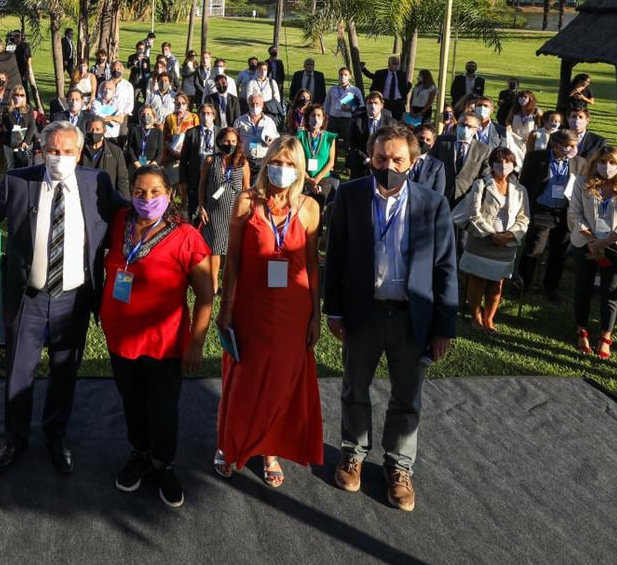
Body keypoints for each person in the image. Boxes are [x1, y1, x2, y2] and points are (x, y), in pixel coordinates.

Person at [326, 124, 457, 512]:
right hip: (363, 313)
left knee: (407, 395)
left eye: (398, 159)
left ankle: (399, 466)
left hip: (410, 317)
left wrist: (444, 327)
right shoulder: (349, 196)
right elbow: (334, 258)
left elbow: (446, 269)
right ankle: (353, 452)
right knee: (355, 386)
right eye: (381, 158)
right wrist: (333, 309)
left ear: (413, 162)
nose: (389, 165)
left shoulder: (433, 205)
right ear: (371, 156)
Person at [0, 121, 127, 476]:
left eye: (67, 152)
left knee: (65, 371)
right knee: (19, 371)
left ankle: (55, 436)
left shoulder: (97, 183)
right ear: (41, 149)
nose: (59, 158)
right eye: (53, 151)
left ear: (79, 154)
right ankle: (15, 439)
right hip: (28, 296)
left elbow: (127, 214)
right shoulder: (19, 180)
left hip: (74, 297)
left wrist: (166, 218)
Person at [101, 165, 213, 507]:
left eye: (154, 192)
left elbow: (206, 294)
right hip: (121, 339)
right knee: (131, 402)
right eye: (139, 192)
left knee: (163, 409)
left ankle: (164, 463)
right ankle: (139, 454)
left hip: (164, 344)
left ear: (170, 194)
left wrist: (195, 344)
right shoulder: (120, 222)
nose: (146, 198)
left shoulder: (186, 235)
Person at [215, 136, 323, 488]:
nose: (283, 169)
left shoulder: (308, 207)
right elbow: (232, 259)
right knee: (244, 377)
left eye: (291, 164)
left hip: (293, 308)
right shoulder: (248, 201)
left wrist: (315, 315)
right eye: (278, 161)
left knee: (281, 380)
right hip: (250, 304)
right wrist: (226, 305)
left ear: (300, 169)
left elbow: (311, 264)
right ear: (267, 163)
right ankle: (230, 443)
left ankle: (270, 449)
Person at [567, 147, 617, 360]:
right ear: (594, 164)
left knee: (611, 293)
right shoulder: (582, 184)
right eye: (602, 162)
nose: (606, 167)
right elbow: (574, 213)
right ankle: (581, 330)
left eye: (611, 164)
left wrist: (604, 243)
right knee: (583, 288)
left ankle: (605, 336)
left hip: (614, 246)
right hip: (585, 243)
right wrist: (592, 241)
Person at [458, 147, 530, 332]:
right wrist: (492, 234)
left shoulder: (520, 189)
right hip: (482, 240)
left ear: (514, 165)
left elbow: (524, 217)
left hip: (507, 244)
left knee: (497, 283)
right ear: (491, 164)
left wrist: (510, 235)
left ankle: (489, 318)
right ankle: (476, 316)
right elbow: (473, 214)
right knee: (477, 280)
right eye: (498, 161)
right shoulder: (481, 184)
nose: (503, 165)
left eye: (507, 162)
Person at [515, 129, 580, 302]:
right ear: (555, 144)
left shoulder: (580, 162)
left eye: (574, 146)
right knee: (533, 249)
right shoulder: (535, 158)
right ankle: (522, 285)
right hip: (541, 210)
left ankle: (551, 288)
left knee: (559, 253)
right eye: (567, 146)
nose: (571, 150)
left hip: (564, 214)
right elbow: (525, 184)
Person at [196, 128, 249, 290]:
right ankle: (213, 285)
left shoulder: (243, 163)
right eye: (227, 141)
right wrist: (201, 206)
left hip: (236, 213)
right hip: (214, 212)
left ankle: (230, 285)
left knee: (232, 251)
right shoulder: (210, 160)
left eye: (233, 141)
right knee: (215, 250)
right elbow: (202, 184)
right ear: (220, 141)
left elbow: (247, 188)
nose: (230, 144)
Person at [430, 111, 491, 206]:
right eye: (462, 124)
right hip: (440, 195)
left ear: (476, 129)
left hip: (465, 199)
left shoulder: (483, 150)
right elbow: (431, 164)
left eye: (470, 126)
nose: (465, 128)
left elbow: (485, 176)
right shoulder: (442, 141)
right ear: (457, 124)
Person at [296, 105, 339, 205]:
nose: (316, 118)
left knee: (320, 209)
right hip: (303, 178)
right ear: (308, 118)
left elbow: (331, 162)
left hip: (323, 179)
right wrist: (308, 179)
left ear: (323, 119)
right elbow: (297, 160)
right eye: (313, 115)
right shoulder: (300, 136)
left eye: (319, 115)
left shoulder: (329, 137)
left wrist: (316, 180)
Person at [346, 91, 395, 175]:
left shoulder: (391, 123)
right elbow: (352, 143)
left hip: (383, 163)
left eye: (376, 103)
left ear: (381, 105)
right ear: (365, 105)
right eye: (370, 103)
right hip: (361, 161)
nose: (373, 106)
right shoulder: (356, 120)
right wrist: (366, 159)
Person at [80, 116, 130, 197]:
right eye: (91, 129)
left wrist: (125, 203)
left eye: (97, 129)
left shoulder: (115, 151)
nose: (94, 132)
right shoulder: (79, 150)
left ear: (104, 131)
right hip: (84, 197)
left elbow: (122, 181)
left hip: (107, 199)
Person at [182, 105, 219, 215]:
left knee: (213, 209)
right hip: (195, 177)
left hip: (214, 176)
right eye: (203, 113)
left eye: (208, 113)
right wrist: (183, 180)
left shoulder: (220, 132)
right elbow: (184, 158)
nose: (206, 116)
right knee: (194, 210)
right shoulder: (191, 133)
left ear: (214, 116)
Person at [234, 93, 280, 174]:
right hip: (245, 160)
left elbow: (277, 141)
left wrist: (271, 141)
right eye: (252, 104)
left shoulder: (269, 121)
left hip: (263, 160)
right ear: (248, 105)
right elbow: (234, 140)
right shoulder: (239, 121)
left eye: (257, 104)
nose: (255, 106)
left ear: (262, 105)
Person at [325, 67, 362, 160]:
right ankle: (332, 163)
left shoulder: (355, 90)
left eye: (345, 75)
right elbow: (326, 104)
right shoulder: (332, 89)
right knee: (331, 142)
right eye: (341, 74)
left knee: (348, 143)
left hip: (347, 120)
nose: (343, 77)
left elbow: (361, 106)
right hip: (333, 119)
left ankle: (348, 164)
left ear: (350, 76)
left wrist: (351, 108)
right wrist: (326, 118)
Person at [161, 93, 196, 192]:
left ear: (187, 104)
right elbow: (165, 138)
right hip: (172, 154)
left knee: (185, 185)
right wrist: (171, 151)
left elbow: (196, 136)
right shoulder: (169, 117)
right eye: (178, 103)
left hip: (187, 153)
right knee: (171, 183)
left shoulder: (194, 117)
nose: (180, 105)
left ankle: (184, 204)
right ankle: (171, 203)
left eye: (183, 103)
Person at [0, 85, 39, 170]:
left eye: (22, 95)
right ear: (12, 95)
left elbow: (31, 126)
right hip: (10, 144)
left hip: (25, 143)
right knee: (10, 166)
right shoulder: (7, 109)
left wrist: (26, 142)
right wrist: (10, 138)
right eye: (16, 95)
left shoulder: (28, 108)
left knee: (25, 166)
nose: (18, 97)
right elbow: (3, 126)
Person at [408, 124, 448, 199]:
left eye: (428, 140)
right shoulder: (401, 159)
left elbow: (438, 195)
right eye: (421, 138)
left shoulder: (437, 166)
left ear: (432, 144)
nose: (424, 142)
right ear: (413, 138)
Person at [364, 56, 410, 121]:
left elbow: (405, 87)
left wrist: (403, 99)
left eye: (397, 64)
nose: (395, 66)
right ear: (389, 64)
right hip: (385, 102)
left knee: (398, 124)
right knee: (385, 122)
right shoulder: (380, 73)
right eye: (393, 64)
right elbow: (373, 86)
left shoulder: (401, 75)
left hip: (398, 103)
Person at [127, 105, 165, 169]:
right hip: (136, 166)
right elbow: (130, 149)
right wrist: (137, 164)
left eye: (148, 114)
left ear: (154, 117)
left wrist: (152, 165)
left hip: (152, 167)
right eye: (143, 114)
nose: (145, 116)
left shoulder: (158, 132)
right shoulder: (134, 130)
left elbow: (160, 153)